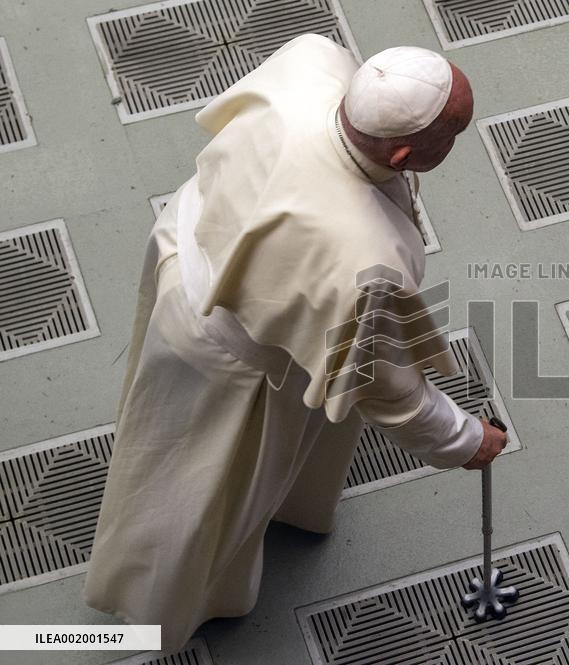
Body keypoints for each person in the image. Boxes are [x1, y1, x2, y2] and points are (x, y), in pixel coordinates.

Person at [82, 33, 509, 654]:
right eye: (454, 134)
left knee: (165, 432)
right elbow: (384, 386)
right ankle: (165, 607)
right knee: (203, 488)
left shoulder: (313, 59)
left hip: (189, 245)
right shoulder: (365, 258)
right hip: (237, 359)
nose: (457, 143)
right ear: (407, 152)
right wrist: (465, 441)